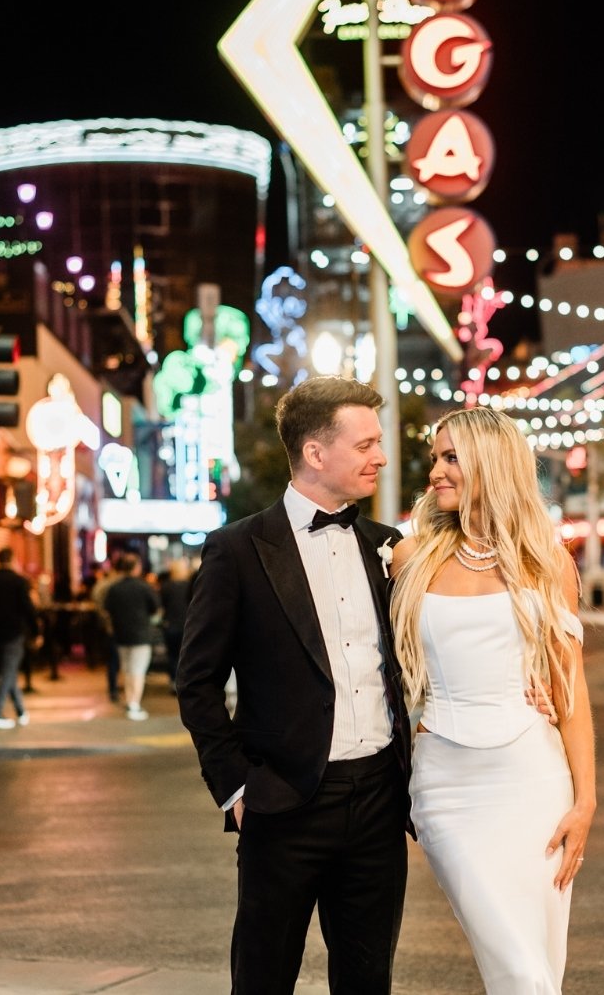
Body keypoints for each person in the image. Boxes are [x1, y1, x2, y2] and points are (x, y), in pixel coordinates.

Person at [176, 375, 413, 995]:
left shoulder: (387, 547)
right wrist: (235, 788)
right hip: (282, 803)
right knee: (263, 978)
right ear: (315, 452)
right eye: (365, 445)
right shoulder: (237, 549)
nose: (380, 458)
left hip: (379, 802)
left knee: (369, 980)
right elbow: (196, 681)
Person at [390, 407, 596, 995]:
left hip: (534, 780)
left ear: (491, 463)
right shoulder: (411, 559)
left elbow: (570, 686)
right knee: (520, 970)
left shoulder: (546, 562)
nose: (435, 472)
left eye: (450, 458)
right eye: (435, 458)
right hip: (446, 787)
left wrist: (586, 801)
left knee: (537, 963)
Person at [0, 546, 40, 730]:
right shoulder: (19, 582)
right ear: (12, 560)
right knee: (7, 671)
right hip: (14, 633)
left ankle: (21, 711)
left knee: (5, 671)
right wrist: (36, 632)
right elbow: (28, 609)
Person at [103, 552, 160, 720]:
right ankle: (134, 704)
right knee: (138, 671)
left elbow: (108, 609)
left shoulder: (114, 588)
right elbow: (155, 608)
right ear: (136, 567)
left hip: (121, 634)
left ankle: (130, 701)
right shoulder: (144, 587)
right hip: (140, 634)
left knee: (127, 670)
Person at [91, 553, 125, 701]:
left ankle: (113, 688)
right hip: (120, 627)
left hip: (108, 627)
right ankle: (118, 688)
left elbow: (97, 603)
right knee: (120, 659)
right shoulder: (117, 585)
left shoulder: (102, 584)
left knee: (112, 660)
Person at [159, 555, 193, 691]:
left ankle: (173, 681)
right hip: (188, 625)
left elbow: (161, 606)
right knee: (186, 655)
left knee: (172, 655)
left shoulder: (166, 586)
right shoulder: (191, 585)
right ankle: (185, 681)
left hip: (170, 624)